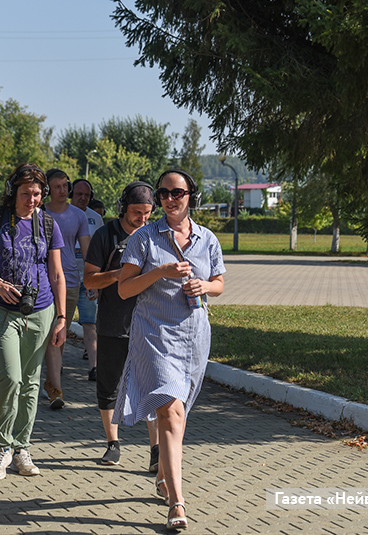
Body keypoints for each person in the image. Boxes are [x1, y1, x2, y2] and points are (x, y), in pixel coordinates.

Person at [115, 169, 225, 531]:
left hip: (194, 337)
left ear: (191, 195)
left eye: (177, 192)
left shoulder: (207, 239)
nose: (169, 199)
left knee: (179, 413)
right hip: (155, 336)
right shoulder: (144, 238)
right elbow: (125, 289)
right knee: (171, 411)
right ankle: (177, 502)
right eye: (163, 194)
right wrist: (160, 272)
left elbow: (219, 283)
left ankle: (164, 474)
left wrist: (204, 286)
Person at [0, 163, 66, 480]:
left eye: (37, 194)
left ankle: (21, 448)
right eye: (26, 193)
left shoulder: (48, 223)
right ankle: (2, 447)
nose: (32, 200)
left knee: (31, 382)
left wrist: (62, 317)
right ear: (12, 192)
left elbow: (57, 273)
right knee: (10, 378)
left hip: (41, 310)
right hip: (1, 309)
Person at [83, 181, 160, 470]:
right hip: (113, 323)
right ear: (123, 208)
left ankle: (156, 450)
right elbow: (89, 279)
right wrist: (119, 275)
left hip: (150, 324)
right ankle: (113, 443)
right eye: (136, 212)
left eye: (147, 213)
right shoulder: (105, 235)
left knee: (152, 388)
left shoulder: (156, 234)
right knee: (109, 386)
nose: (142, 218)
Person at [42, 169, 89, 409]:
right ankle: (53, 387)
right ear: (48, 190)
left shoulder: (78, 215)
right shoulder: (39, 213)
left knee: (58, 335)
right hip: (41, 282)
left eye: (65, 185)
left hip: (69, 282)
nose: (63, 190)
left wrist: (91, 280)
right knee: (45, 335)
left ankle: (52, 383)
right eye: (57, 186)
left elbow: (88, 252)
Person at [69, 178, 104, 381]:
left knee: (90, 323)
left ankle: (94, 367)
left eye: (87, 195)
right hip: (65, 279)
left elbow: (99, 249)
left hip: (88, 280)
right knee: (60, 323)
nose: (83, 198)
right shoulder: (60, 213)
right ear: (71, 194)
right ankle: (56, 366)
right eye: (79, 194)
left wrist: (97, 281)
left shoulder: (95, 218)